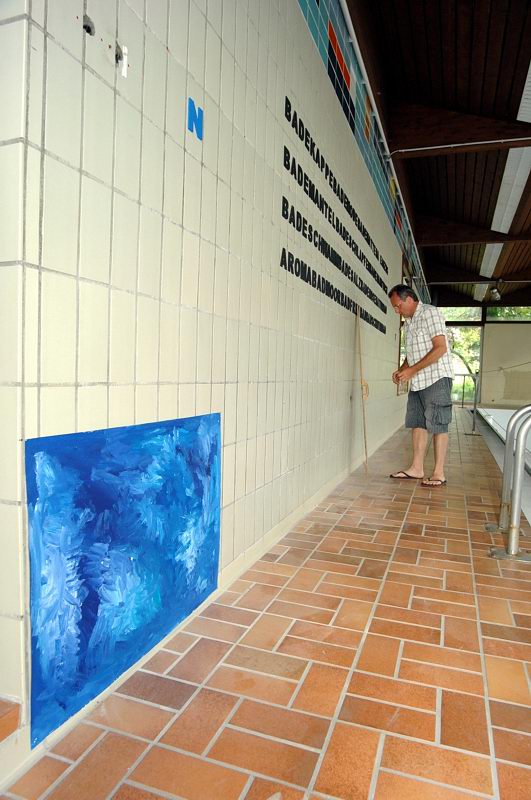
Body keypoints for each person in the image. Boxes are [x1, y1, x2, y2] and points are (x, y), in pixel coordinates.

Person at [388, 284, 454, 487]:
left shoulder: (429, 313)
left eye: (398, 306)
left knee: (438, 423)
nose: (396, 311)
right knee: (417, 422)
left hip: (436, 378)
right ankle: (416, 469)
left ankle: (439, 473)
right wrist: (403, 369)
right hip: (418, 381)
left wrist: (412, 370)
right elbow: (413, 354)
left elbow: (440, 348)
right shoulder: (408, 323)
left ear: (409, 299)